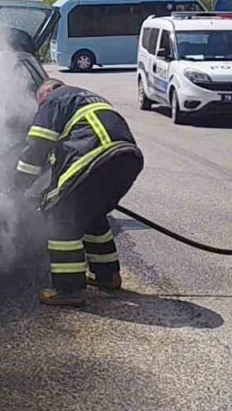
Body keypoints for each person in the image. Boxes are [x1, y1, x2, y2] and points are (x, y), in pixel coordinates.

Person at [13, 79, 144, 307]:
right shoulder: (84, 97)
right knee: (92, 216)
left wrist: (18, 186)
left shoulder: (54, 100)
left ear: (46, 92)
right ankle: (108, 276)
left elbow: (36, 148)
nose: (38, 108)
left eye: (38, 102)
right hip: (127, 157)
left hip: (96, 156)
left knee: (59, 215)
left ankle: (68, 289)